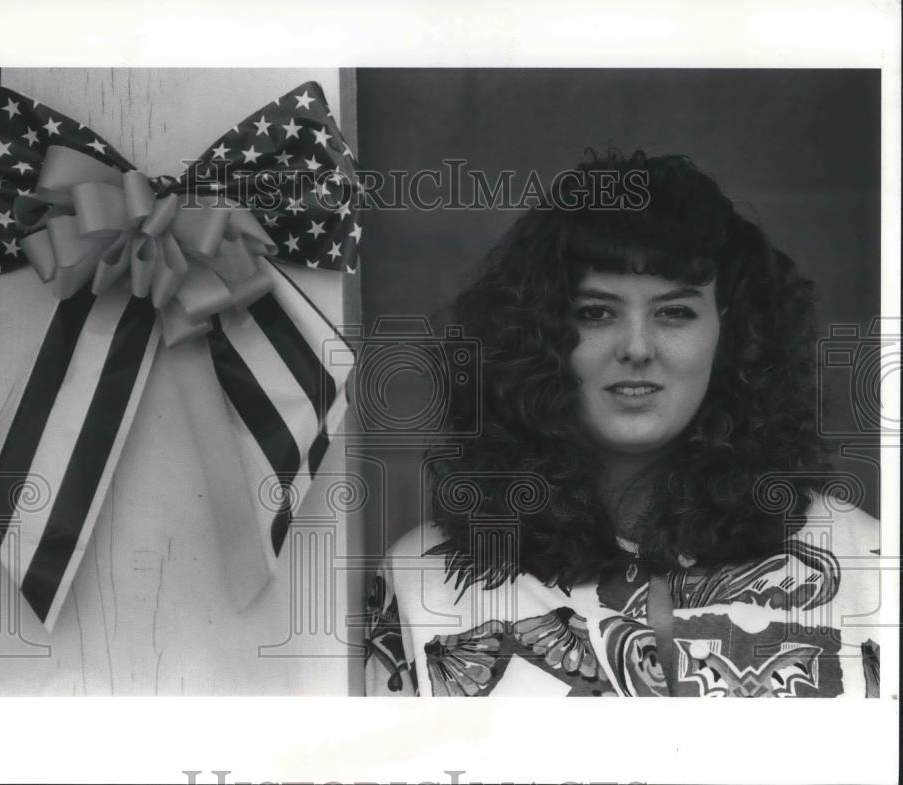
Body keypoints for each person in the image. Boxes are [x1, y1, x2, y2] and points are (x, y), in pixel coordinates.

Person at [364, 150, 882, 697]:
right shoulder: (423, 584)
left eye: (675, 312)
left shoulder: (868, 563)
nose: (636, 347)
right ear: (536, 336)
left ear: (730, 336)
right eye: (595, 312)